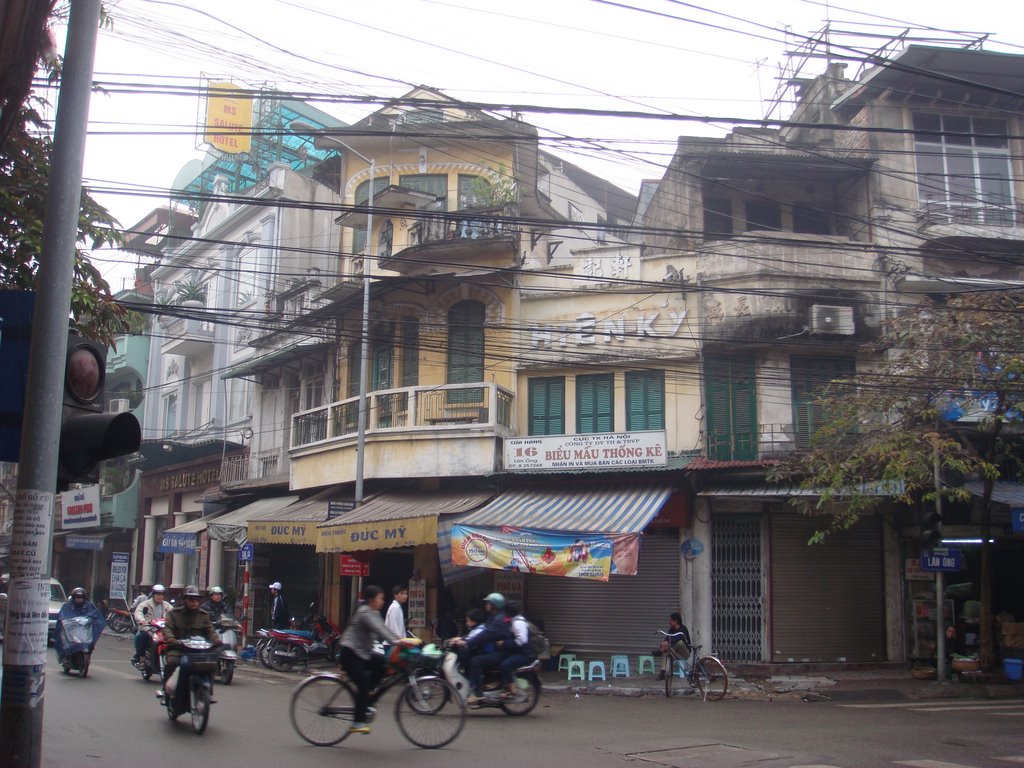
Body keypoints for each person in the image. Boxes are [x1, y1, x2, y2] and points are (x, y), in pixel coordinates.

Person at [339, 585, 418, 735]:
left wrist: (402, 639)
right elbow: (380, 630)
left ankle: (368, 695)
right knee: (362, 685)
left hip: (363, 653)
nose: (382, 601)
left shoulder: (374, 613)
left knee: (383, 663)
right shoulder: (365, 613)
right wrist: (399, 641)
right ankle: (358, 722)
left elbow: (384, 628)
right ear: (371, 600)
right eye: (380, 598)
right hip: (350, 654)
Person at [161, 585, 220, 716]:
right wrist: (171, 638)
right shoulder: (174, 614)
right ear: (184, 600)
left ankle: (208, 693)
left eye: (196, 600)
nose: (194, 603)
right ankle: (168, 693)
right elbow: (167, 628)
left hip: (198, 651)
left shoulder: (203, 615)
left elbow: (210, 630)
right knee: (172, 663)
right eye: (191, 600)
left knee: (210, 664)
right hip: (179, 649)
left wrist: (216, 640)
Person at [448, 592, 512, 704]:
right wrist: (465, 640)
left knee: (475, 661)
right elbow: (483, 633)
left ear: (494, 605)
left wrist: (468, 643)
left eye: (488, 603)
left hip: (502, 652)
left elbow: (485, 635)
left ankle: (477, 694)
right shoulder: (495, 617)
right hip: (496, 649)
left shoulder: (498, 620)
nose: (486, 605)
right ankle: (481, 682)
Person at [55, 587, 104, 663]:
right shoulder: (67, 606)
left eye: (80, 598)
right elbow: (62, 616)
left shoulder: (88, 605)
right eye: (77, 598)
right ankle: (65, 656)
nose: (79, 599)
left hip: (84, 631)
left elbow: (94, 614)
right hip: (71, 631)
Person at [499, 599, 535, 699]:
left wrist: (504, 643)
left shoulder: (518, 622)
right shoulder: (514, 620)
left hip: (525, 654)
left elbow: (521, 640)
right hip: (519, 652)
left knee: (505, 665)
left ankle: (512, 689)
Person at [132, 584, 166, 666]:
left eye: (162, 594)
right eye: (158, 594)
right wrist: (142, 620)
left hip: (163, 631)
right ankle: (140, 656)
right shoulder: (145, 605)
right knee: (141, 637)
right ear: (153, 594)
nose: (160, 597)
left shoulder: (166, 605)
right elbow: (138, 612)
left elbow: (174, 613)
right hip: (148, 629)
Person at [655, 612, 691, 681]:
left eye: (671, 620)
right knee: (668, 653)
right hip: (674, 652)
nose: (669, 622)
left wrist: (667, 644)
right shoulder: (671, 630)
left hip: (684, 653)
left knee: (680, 642)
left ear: (676, 621)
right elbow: (666, 639)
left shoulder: (683, 629)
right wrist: (662, 645)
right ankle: (662, 673)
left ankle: (660, 652)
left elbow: (678, 638)